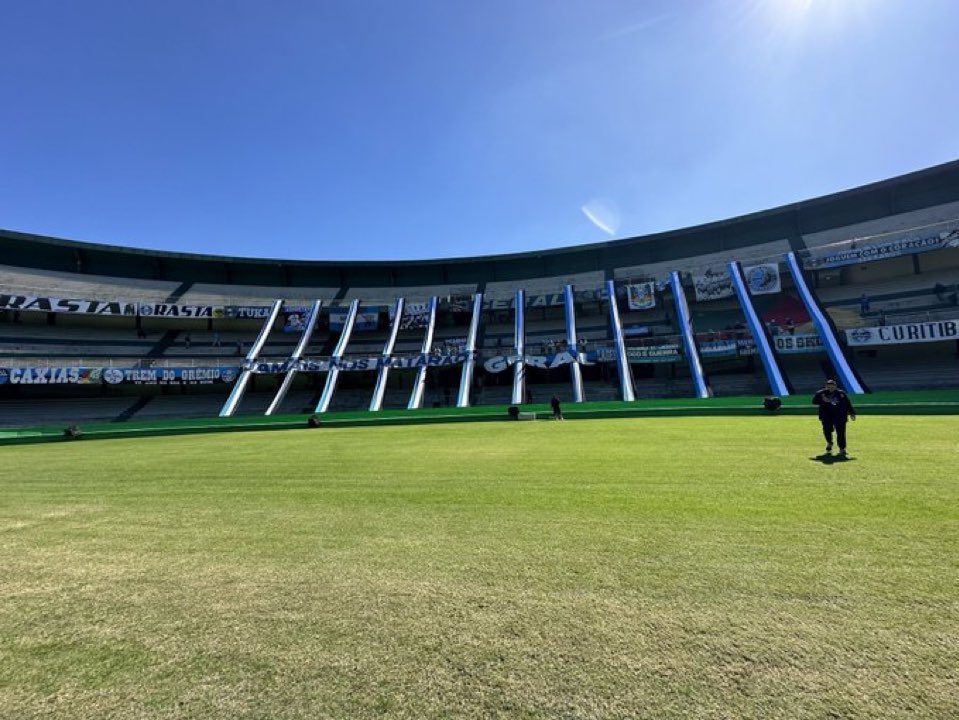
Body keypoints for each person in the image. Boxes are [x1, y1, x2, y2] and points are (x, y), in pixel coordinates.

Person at [812, 379, 856, 456]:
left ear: (835, 386)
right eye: (828, 387)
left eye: (832, 387)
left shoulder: (841, 394)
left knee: (841, 432)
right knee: (827, 429)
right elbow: (814, 401)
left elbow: (847, 403)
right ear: (826, 386)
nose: (830, 388)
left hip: (840, 415)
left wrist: (852, 413)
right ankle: (829, 442)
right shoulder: (820, 393)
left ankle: (842, 448)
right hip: (826, 415)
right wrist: (822, 400)